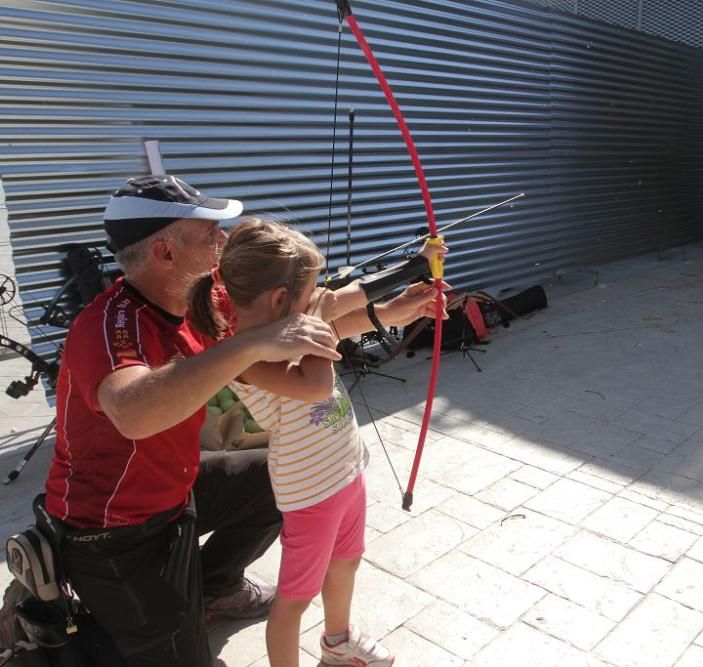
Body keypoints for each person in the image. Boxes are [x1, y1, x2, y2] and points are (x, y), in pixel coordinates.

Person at [42, 175, 341, 667]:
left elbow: (301, 308)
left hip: (175, 489)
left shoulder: (198, 294)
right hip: (115, 528)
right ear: (164, 253)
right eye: (209, 235)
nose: (223, 241)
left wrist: (388, 303)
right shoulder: (107, 325)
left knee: (279, 477)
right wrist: (248, 344)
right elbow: (133, 412)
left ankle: (216, 587)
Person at [187, 218, 445, 667]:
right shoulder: (244, 352)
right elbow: (313, 385)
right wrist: (318, 317)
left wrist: (405, 286)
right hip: (309, 494)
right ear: (281, 300)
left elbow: (349, 299)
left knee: (347, 560)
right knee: (294, 601)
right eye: (311, 292)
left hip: (345, 472)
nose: (319, 298)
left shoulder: (291, 322)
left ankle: (338, 641)